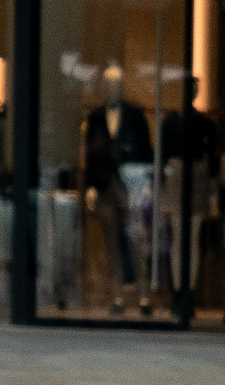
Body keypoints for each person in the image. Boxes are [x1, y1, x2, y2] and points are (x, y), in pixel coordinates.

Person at [82, 66, 152, 313]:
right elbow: (89, 155)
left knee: (136, 239)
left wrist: (147, 185)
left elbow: (146, 151)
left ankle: (144, 296)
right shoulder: (96, 116)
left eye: (117, 84)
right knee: (111, 242)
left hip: (131, 184)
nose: (113, 88)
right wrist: (90, 187)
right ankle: (118, 297)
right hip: (104, 185)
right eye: (109, 84)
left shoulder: (135, 115)